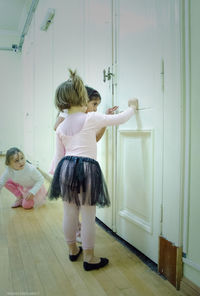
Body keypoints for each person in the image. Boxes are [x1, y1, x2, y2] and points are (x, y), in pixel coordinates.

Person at [49, 69, 138, 271]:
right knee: (89, 215)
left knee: (69, 213)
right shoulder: (91, 118)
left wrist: (56, 175)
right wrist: (132, 107)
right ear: (82, 97)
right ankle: (89, 257)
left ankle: (73, 250)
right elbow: (120, 119)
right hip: (87, 169)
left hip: (66, 170)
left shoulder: (60, 128)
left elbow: (58, 155)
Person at [51, 86, 118, 243]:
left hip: (79, 167)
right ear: (82, 101)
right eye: (94, 104)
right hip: (68, 166)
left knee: (78, 206)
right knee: (72, 207)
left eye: (97, 106)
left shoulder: (89, 120)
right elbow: (56, 127)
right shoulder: (70, 118)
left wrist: (105, 120)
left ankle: (77, 233)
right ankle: (77, 232)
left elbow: (95, 138)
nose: (95, 108)